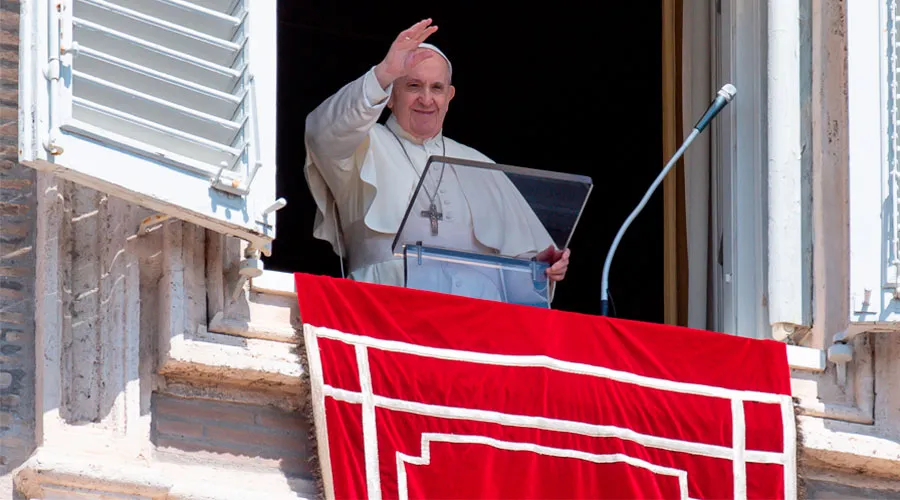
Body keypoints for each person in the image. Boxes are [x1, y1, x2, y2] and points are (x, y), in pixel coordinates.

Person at [303, 18, 571, 303]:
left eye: (437, 88)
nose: (426, 99)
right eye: (414, 86)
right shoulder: (362, 143)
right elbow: (321, 132)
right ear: (391, 96)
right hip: (385, 305)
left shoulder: (480, 164)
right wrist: (383, 73)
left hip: (474, 318)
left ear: (449, 96)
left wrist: (539, 265)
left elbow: (521, 271)